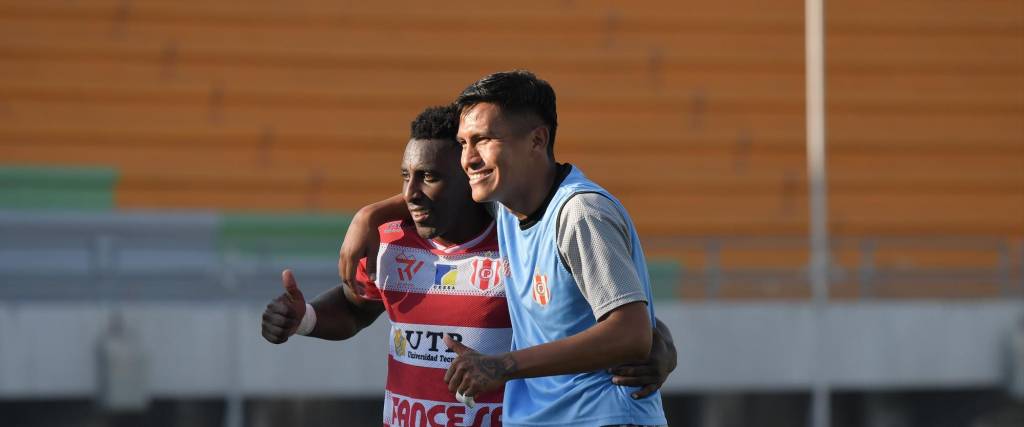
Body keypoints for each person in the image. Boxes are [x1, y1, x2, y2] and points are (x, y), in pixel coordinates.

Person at [263, 104, 675, 426]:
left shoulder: (517, 239)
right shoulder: (392, 240)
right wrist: (305, 318)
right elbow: (357, 307)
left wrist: (662, 346)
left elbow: (612, 321)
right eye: (405, 176)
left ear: (470, 175)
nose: (411, 193)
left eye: (428, 177)